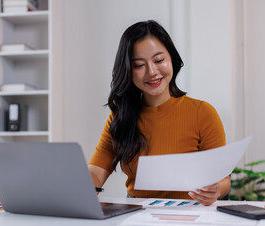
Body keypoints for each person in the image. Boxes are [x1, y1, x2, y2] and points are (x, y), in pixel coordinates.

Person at [88, 20, 230, 206]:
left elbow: (223, 181)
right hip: (138, 214)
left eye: (159, 60)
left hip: (191, 213)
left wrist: (216, 190)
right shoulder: (121, 117)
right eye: (139, 65)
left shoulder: (202, 113)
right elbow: (97, 171)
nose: (152, 72)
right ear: (128, 71)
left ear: (171, 59)